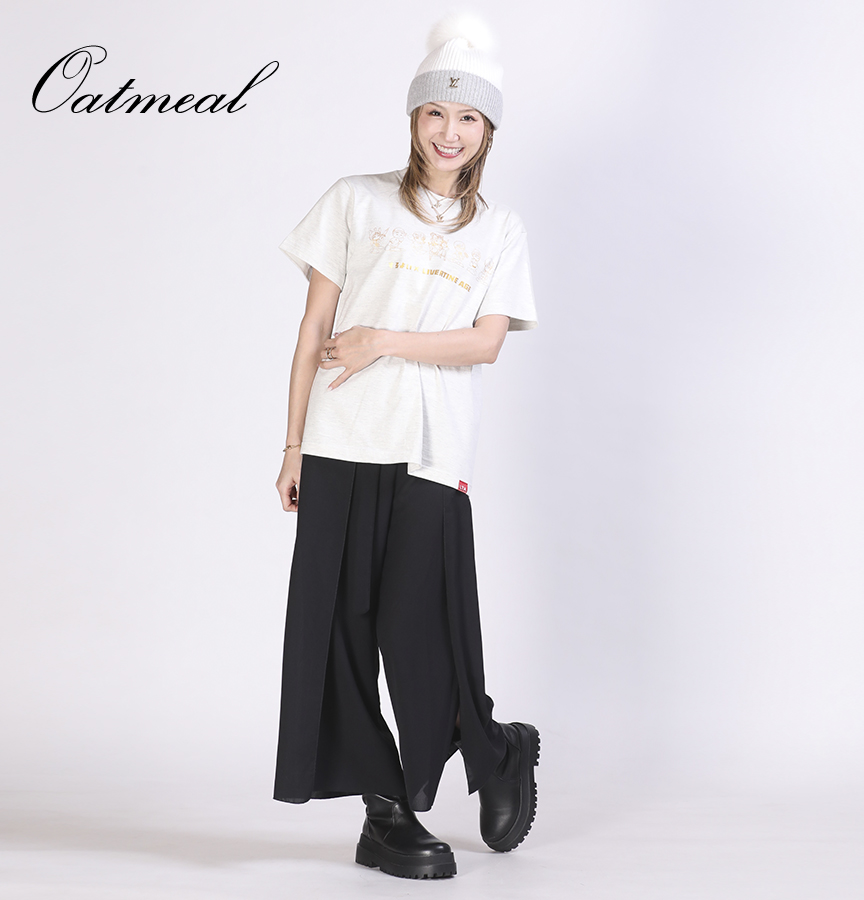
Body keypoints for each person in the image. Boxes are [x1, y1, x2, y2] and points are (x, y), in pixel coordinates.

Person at [273, 14, 540, 880]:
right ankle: (383, 813)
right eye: (436, 113)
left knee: (420, 627)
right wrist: (293, 446)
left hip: (431, 446)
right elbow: (313, 327)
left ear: (487, 131)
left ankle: (493, 746)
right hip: (341, 437)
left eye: (468, 119)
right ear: (415, 117)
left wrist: (383, 340)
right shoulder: (355, 200)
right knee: (341, 629)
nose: (448, 133)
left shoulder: (499, 231)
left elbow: (485, 343)